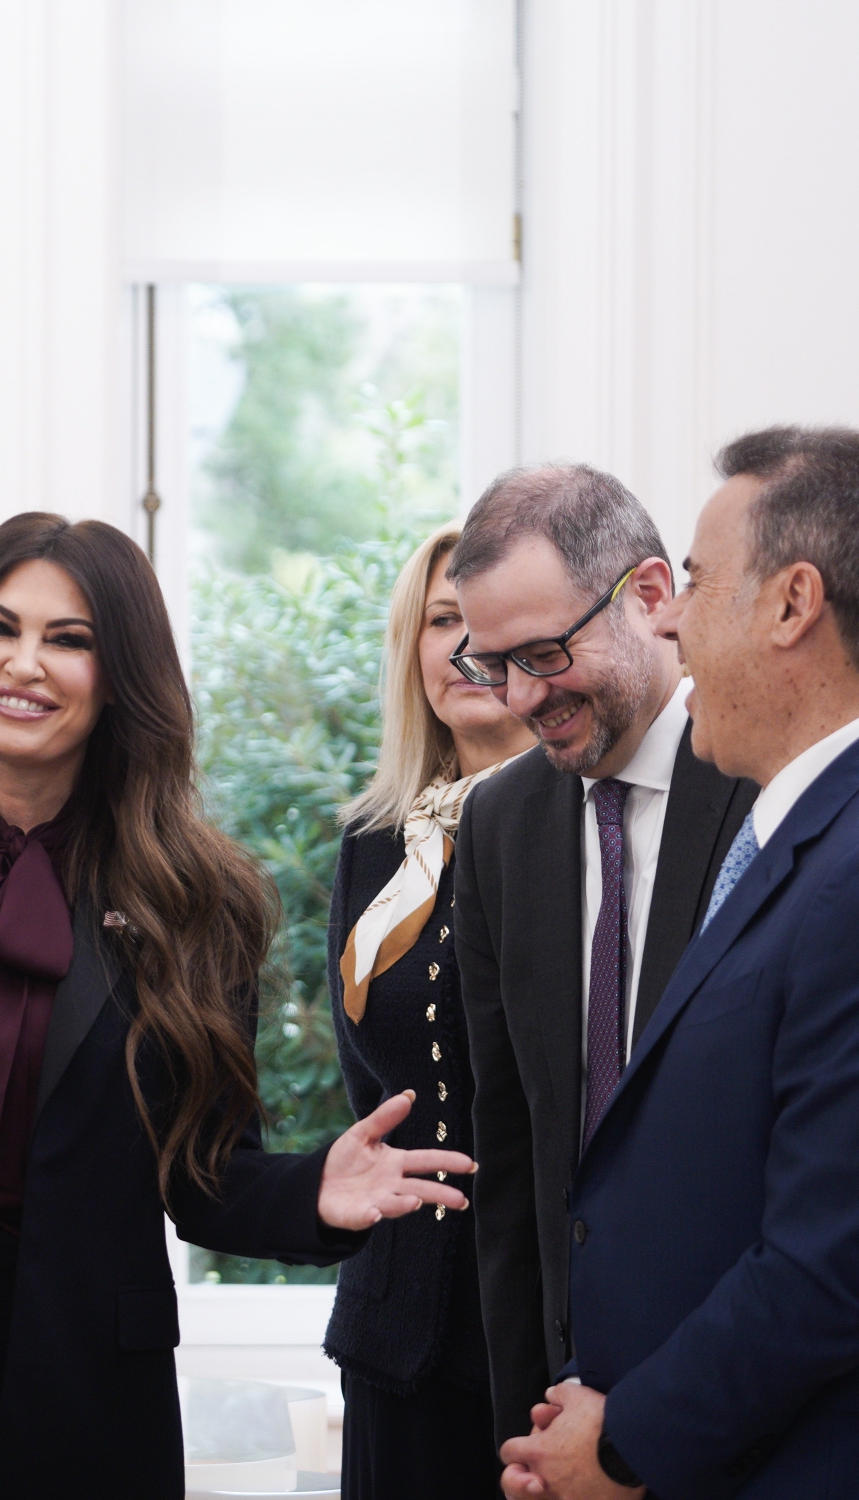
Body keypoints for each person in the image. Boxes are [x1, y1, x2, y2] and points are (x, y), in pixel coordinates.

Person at [0, 513, 478, 1500]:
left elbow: (203, 1179)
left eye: (68, 640)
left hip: (72, 1393)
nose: (23, 663)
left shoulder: (197, 898)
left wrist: (313, 1195)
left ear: (120, 679)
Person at [499, 428, 859, 1500]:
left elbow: (834, 1270)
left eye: (697, 581)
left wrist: (623, 1444)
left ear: (793, 603)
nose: (668, 618)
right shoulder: (842, 830)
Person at [446, 465, 759, 1455]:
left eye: (545, 653)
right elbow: (510, 1160)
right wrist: (526, 1431)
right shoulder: (497, 824)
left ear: (651, 596)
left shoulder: (770, 793)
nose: (521, 697)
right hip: (564, 1403)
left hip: (740, 1404)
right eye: (493, 664)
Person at [325, 522, 534, 1498]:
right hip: (394, 1322)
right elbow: (364, 1083)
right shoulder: (372, 841)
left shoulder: (598, 829)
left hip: (545, 1330)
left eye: (488, 622)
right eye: (442, 619)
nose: (464, 645)